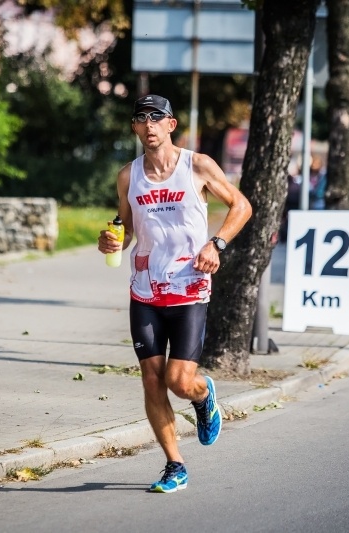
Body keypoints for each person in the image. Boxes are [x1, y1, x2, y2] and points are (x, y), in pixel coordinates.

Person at [98, 94, 251, 493]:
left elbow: (242, 206)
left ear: (171, 124)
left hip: (190, 287)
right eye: (140, 118)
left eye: (156, 118)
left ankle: (202, 397)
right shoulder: (128, 176)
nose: (148, 125)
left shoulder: (196, 165)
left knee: (178, 381)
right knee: (152, 379)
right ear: (134, 127)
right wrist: (114, 241)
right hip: (145, 290)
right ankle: (174, 465)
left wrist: (215, 244)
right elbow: (126, 226)